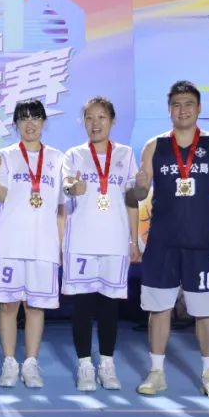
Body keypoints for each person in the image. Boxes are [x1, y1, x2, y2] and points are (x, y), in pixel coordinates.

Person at [134, 81, 209, 400]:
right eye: (176, 104)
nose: (183, 110)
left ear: (199, 108)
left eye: (189, 103)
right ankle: (156, 372)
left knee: (206, 312)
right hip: (162, 243)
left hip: (202, 243)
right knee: (159, 309)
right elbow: (139, 194)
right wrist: (139, 185)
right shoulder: (154, 146)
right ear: (169, 110)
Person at [61, 96, 143, 391]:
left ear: (112, 121)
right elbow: (67, 186)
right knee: (83, 306)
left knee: (109, 306)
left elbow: (132, 199)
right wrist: (74, 187)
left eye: (101, 117)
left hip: (115, 242)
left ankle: (107, 364)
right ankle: (85, 365)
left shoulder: (125, 154)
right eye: (89, 118)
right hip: (81, 242)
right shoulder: (74, 155)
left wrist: (134, 239)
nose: (95, 123)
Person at [0, 99, 65, 388]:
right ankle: (9, 362)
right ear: (16, 124)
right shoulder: (6, 156)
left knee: (35, 306)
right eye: (23, 118)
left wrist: (60, 245)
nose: (30, 124)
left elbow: (61, 207)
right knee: (8, 306)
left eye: (35, 118)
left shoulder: (57, 158)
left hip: (43, 245)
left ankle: (30, 363)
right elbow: (1, 196)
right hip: (10, 244)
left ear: (43, 122)